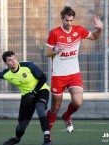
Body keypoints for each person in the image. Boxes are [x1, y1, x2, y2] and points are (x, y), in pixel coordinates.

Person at [45, 6, 103, 134]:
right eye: (67, 20)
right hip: (58, 76)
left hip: (74, 74)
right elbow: (47, 53)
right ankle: (47, 134)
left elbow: (94, 36)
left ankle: (67, 116)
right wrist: (54, 51)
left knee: (77, 103)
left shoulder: (79, 30)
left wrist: (100, 28)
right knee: (55, 106)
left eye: (71, 20)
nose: (69, 23)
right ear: (62, 19)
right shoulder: (54, 33)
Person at [0, 51, 52, 145]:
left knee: (40, 109)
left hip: (41, 90)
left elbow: (43, 78)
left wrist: (34, 92)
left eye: (14, 58)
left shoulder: (28, 65)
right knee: (21, 126)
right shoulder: (6, 74)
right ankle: (16, 139)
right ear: (6, 63)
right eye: (10, 60)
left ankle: (47, 139)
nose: (13, 61)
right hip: (27, 97)